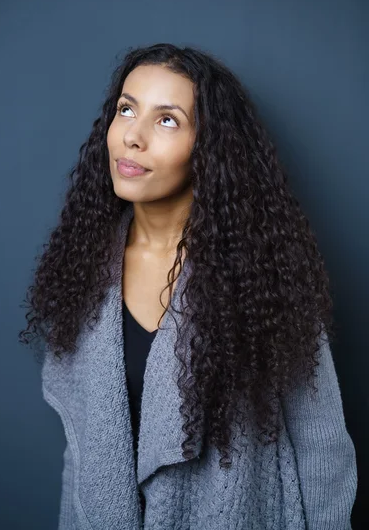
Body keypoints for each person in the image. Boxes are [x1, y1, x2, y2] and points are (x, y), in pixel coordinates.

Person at [20, 42, 357, 529]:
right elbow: (84, 450)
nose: (133, 137)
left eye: (167, 120)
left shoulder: (259, 273)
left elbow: (321, 443)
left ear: (209, 147)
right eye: (126, 109)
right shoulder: (84, 271)